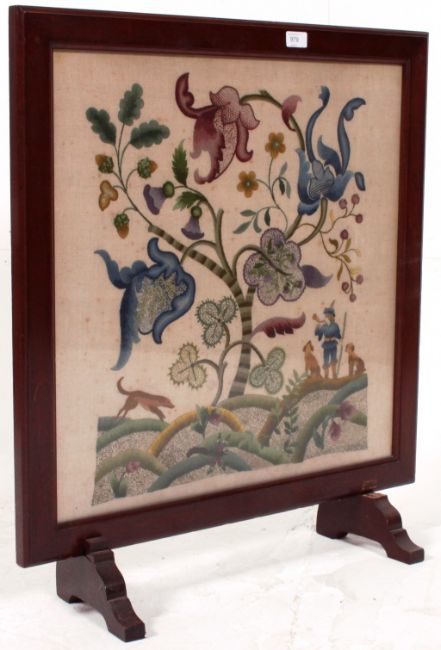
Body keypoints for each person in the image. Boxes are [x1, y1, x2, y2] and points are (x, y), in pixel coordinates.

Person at [313, 306, 341, 379]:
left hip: (333, 344)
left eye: (328, 315)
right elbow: (318, 335)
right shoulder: (324, 326)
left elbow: (338, 335)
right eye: (326, 316)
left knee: (333, 359)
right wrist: (317, 326)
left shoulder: (335, 325)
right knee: (326, 360)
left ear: (332, 316)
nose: (326, 317)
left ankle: (334, 375)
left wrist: (341, 339)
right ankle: (326, 376)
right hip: (326, 345)